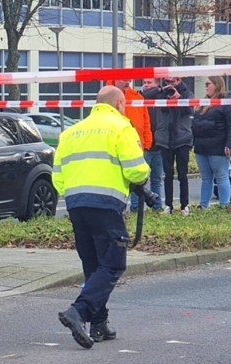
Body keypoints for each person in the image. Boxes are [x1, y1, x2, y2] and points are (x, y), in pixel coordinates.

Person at [53, 86, 150, 349]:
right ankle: (78, 312)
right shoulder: (120, 127)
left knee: (93, 264)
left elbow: (57, 174)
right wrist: (143, 179)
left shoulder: (71, 132)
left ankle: (99, 324)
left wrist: (73, 195)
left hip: (76, 204)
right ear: (120, 103)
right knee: (113, 264)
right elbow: (135, 170)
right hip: (106, 205)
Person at [150, 77, 193, 215]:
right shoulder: (161, 94)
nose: (170, 85)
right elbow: (148, 99)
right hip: (164, 138)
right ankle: (168, 205)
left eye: (172, 82)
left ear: (179, 80)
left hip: (182, 138)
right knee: (168, 174)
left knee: (182, 174)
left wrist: (179, 99)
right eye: (167, 82)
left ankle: (184, 205)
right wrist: (164, 94)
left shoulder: (187, 94)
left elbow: (190, 110)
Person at [111, 78, 154, 212]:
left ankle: (135, 207)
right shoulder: (107, 96)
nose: (127, 82)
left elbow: (145, 122)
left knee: (136, 178)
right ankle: (121, 208)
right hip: (115, 146)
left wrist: (147, 142)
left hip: (136, 145)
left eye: (129, 80)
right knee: (119, 180)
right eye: (124, 79)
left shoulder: (137, 97)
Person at [192, 75, 231, 209]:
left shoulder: (226, 102)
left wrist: (230, 144)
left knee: (221, 177)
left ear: (216, 85)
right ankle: (203, 206)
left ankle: (224, 205)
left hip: (218, 146)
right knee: (205, 178)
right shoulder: (204, 102)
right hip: (201, 146)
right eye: (205, 84)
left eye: (208, 84)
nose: (206, 87)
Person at [139, 77, 166, 210]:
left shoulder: (162, 98)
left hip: (159, 144)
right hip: (145, 145)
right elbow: (144, 95)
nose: (146, 85)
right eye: (144, 83)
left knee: (157, 179)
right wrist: (158, 90)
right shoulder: (140, 97)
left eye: (149, 83)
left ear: (157, 84)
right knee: (139, 180)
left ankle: (157, 206)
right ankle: (135, 207)